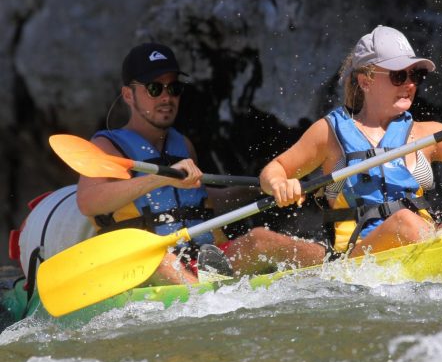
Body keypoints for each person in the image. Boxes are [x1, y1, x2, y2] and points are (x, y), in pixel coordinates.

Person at [76, 43, 326, 284]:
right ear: (128, 95)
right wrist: (159, 178)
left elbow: (199, 202)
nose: (166, 97)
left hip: (203, 257)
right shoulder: (106, 146)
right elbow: (88, 201)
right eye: (154, 88)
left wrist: (260, 190)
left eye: (173, 88)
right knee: (160, 260)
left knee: (261, 239)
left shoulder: (183, 144)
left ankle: (338, 263)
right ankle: (204, 299)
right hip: (147, 265)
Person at [260, 26, 442, 257]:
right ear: (365, 81)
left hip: (423, 243)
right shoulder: (329, 133)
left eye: (414, 75)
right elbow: (274, 170)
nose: (409, 84)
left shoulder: (425, 134)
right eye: (398, 76)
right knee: (403, 222)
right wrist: (280, 184)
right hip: (359, 256)